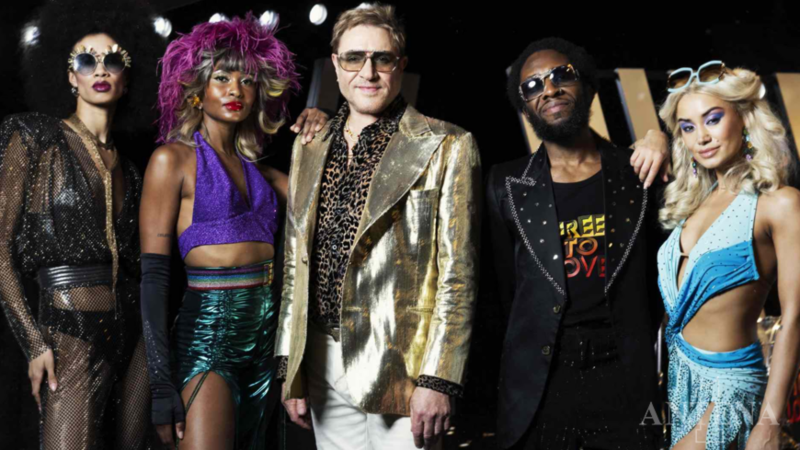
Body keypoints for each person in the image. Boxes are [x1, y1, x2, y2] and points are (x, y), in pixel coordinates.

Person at [275, 4, 481, 450]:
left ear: (400, 65)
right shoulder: (309, 145)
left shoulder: (447, 144)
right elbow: (295, 263)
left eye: (381, 59)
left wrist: (439, 378)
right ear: (335, 64)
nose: (367, 72)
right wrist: (290, 366)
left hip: (405, 370)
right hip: (320, 362)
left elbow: (458, 275)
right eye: (354, 58)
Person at [139, 14, 328, 449]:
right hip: (209, 340)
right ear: (196, 90)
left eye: (247, 81)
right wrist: (160, 383)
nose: (235, 90)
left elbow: (336, 193)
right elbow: (154, 279)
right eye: (221, 78)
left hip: (266, 344)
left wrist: (326, 124)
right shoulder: (173, 161)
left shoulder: (267, 177)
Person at [486, 37, 670, 449]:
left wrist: (665, 139)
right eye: (532, 85)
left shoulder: (637, 173)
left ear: (587, 85)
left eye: (561, 75)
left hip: (625, 378)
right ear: (524, 106)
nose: (549, 89)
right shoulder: (506, 184)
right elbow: (506, 294)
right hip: (541, 384)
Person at [0, 0, 163, 448]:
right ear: (70, 75)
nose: (100, 69)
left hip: (134, 339)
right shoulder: (34, 138)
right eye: (86, 60)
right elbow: (0, 250)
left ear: (127, 78)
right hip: (69, 333)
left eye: (113, 60)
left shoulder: (132, 170)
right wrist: (34, 342)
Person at [656, 62, 800, 449]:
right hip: (681, 384)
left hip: (732, 387)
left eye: (713, 119)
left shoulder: (778, 204)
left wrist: (770, 424)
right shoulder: (691, 205)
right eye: (687, 127)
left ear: (744, 118)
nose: (701, 137)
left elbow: (795, 317)